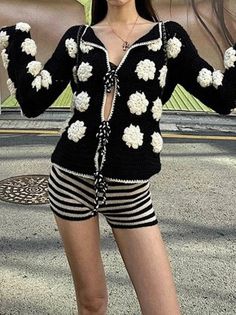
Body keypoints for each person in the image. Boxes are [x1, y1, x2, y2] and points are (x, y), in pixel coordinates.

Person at [0, 0, 235, 314]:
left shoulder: (167, 38)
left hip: (131, 195)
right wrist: (15, 41)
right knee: (92, 302)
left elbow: (222, 97)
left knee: (163, 309)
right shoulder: (79, 38)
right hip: (70, 184)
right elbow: (32, 101)